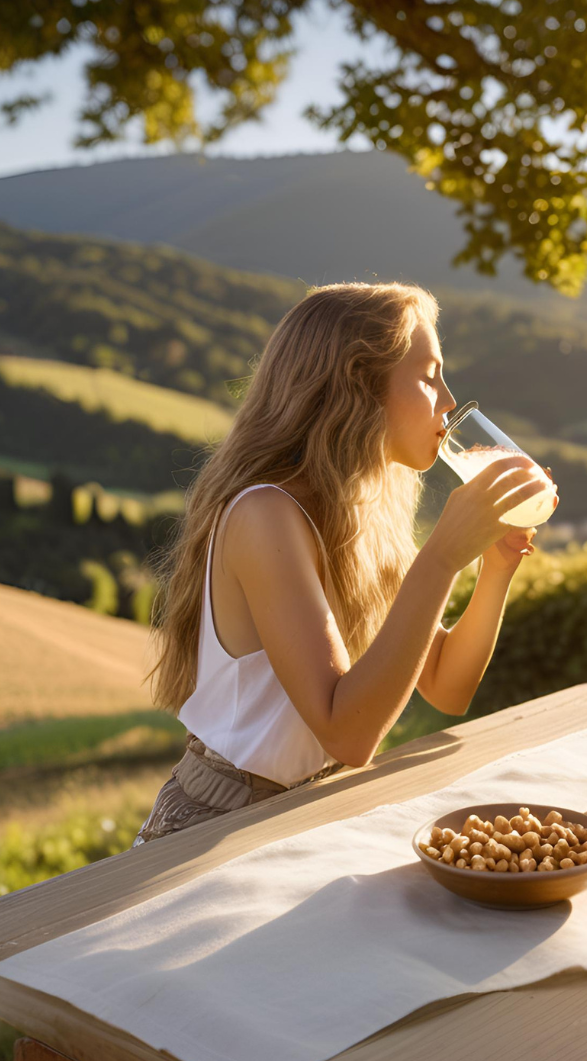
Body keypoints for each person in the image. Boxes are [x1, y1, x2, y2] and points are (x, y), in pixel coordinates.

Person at [131, 282, 557, 846]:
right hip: (224, 820)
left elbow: (446, 686)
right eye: (430, 376)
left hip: (313, 807)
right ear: (361, 385)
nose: (449, 400)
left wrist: (494, 568)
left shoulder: (364, 514)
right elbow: (347, 733)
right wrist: (441, 557)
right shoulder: (266, 514)